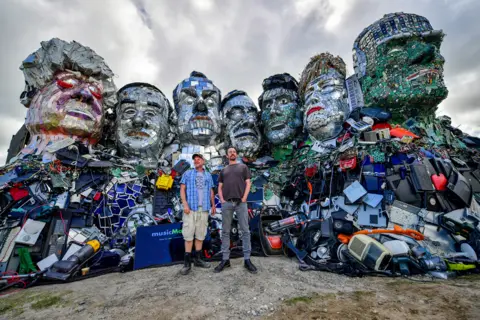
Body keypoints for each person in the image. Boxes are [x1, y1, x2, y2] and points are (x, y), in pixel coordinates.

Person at [215, 147, 257, 273]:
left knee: (245, 231)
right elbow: (220, 186)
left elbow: (248, 183)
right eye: (230, 152)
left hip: (241, 203)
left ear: (236, 154)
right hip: (227, 203)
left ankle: (247, 260)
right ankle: (225, 259)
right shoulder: (223, 170)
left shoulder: (243, 167)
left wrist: (244, 198)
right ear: (227, 156)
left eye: (234, 152)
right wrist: (221, 199)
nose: (232, 153)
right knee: (225, 232)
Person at [179, 153, 216, 275]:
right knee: (188, 236)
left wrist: (213, 205)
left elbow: (211, 190)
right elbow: (182, 189)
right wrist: (185, 204)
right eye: (194, 159)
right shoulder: (188, 173)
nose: (196, 161)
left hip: (204, 209)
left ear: (203, 161)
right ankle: (187, 263)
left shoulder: (208, 175)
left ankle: (198, 259)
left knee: (200, 235)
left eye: (198, 159)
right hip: (191, 209)